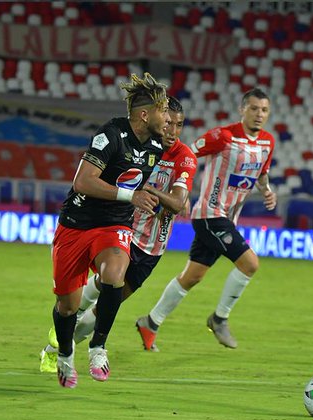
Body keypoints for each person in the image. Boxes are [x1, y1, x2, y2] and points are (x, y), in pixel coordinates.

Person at [39, 97, 197, 372]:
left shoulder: (183, 157)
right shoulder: (139, 143)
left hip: (149, 247)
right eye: (168, 122)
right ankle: (67, 339)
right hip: (117, 228)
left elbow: (180, 204)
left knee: (103, 307)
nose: (172, 131)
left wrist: (152, 193)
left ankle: (58, 347)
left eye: (179, 125)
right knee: (89, 292)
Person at [135, 87, 277, 350]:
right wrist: (180, 189)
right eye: (254, 108)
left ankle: (150, 323)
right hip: (210, 214)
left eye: (264, 110)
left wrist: (267, 191)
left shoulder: (268, 141)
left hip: (228, 219)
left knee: (192, 276)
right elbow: (186, 154)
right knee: (250, 264)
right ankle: (219, 318)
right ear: (242, 110)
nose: (259, 114)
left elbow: (262, 173)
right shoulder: (222, 136)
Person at [50, 73, 169, 387]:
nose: (168, 118)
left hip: (114, 224)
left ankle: (98, 346)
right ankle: (64, 353)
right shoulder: (111, 134)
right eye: (164, 111)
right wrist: (133, 196)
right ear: (145, 114)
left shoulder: (157, 144)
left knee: (115, 275)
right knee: (67, 306)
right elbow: (83, 182)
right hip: (76, 224)